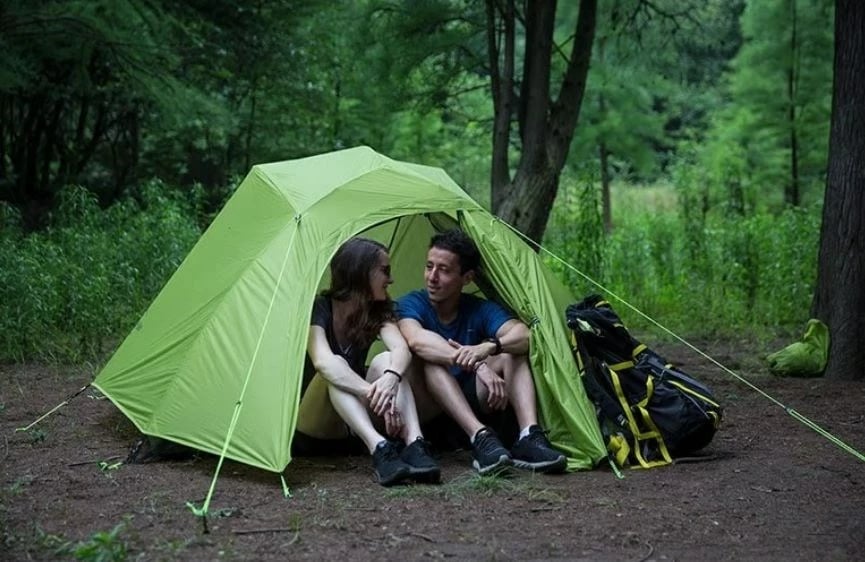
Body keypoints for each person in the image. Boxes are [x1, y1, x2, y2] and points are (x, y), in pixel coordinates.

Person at [396, 229, 566, 474]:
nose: (432, 277)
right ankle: (480, 436)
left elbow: (524, 335)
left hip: (471, 396)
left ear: (467, 278)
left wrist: (489, 347)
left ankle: (529, 435)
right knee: (430, 361)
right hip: (428, 410)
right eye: (429, 266)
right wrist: (478, 364)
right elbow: (417, 340)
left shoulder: (478, 308)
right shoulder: (410, 303)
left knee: (511, 352)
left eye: (444, 270)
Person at [296, 237, 440, 486]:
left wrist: (392, 379)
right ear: (361, 273)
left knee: (387, 361)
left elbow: (401, 350)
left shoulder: (378, 309)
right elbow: (321, 361)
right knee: (334, 365)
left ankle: (415, 444)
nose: (391, 279)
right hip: (314, 426)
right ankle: (379, 448)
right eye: (385, 271)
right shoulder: (320, 308)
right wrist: (374, 393)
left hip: (352, 425)